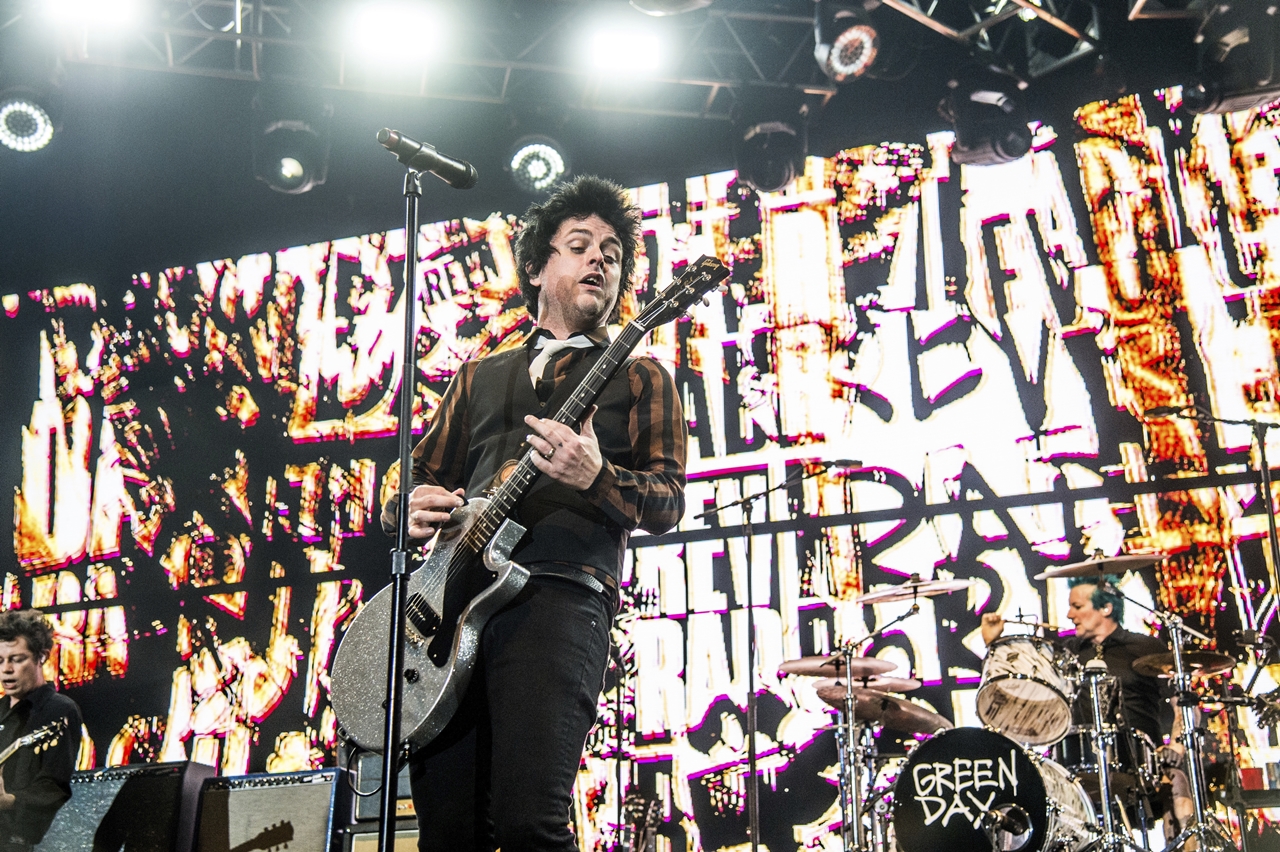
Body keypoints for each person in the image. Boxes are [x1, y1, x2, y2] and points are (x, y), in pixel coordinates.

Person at [380, 175, 687, 852]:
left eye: (612, 251)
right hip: (449, 608)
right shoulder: (478, 376)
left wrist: (596, 475)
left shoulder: (642, 376)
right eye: (580, 245)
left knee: (530, 824)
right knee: (447, 831)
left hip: (558, 600)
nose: (600, 259)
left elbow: (668, 500)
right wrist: (409, 506)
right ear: (537, 266)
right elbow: (412, 480)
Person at [981, 575, 1193, 834]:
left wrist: (1177, 746)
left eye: (1077, 607)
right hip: (1079, 764)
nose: (1069, 614)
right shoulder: (1067, 653)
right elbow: (1023, 692)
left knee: (1179, 784)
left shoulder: (1144, 646)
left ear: (1106, 608)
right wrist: (992, 644)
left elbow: (1183, 702)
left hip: (1143, 762)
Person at [0, 609, 82, 852]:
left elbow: (53, 787)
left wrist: (9, 801)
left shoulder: (57, 710)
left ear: (41, 657)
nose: (6, 669)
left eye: (16, 659)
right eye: (0, 660)